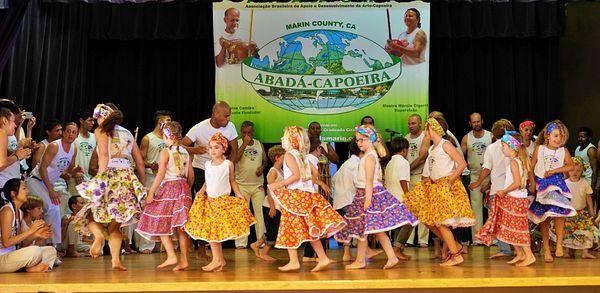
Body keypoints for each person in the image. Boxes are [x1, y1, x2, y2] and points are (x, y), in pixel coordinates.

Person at [72, 103, 146, 271]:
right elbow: (140, 163)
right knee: (115, 225)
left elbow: (104, 156)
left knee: (91, 216)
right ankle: (116, 261)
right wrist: (140, 186)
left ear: (100, 117)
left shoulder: (101, 130)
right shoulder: (127, 132)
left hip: (110, 176)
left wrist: (101, 179)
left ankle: (98, 237)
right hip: (127, 178)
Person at [337, 125, 418, 270]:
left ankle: (364, 260)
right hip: (365, 194)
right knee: (372, 230)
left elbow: (369, 181)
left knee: (367, 230)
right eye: (357, 140)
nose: (359, 143)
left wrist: (367, 200)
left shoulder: (369, 157)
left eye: (362, 140)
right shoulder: (369, 155)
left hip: (369, 195)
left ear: (371, 140)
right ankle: (384, 258)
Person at [267, 126, 345, 272]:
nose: (282, 139)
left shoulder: (290, 155)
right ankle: (322, 257)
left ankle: (294, 261)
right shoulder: (302, 155)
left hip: (296, 197)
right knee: (310, 228)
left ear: (291, 139)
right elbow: (314, 172)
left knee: (289, 226)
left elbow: (296, 176)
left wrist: (279, 184)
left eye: (284, 137)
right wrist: (308, 183)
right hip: (306, 195)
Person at [404, 117, 475, 266]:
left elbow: (462, 164)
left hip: (445, 187)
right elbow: (432, 169)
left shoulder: (445, 144)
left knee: (442, 224)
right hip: (434, 186)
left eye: (426, 128)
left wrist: (450, 180)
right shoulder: (431, 148)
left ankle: (456, 254)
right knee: (428, 219)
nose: (424, 131)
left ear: (433, 129)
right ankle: (456, 246)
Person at [184, 131, 255, 272]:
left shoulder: (228, 164)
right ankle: (219, 259)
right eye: (210, 147)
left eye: (216, 147)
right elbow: (207, 181)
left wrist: (239, 194)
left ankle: (217, 260)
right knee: (211, 232)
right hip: (210, 202)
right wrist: (201, 191)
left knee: (215, 233)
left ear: (223, 148)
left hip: (222, 202)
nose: (213, 150)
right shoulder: (207, 165)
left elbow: (232, 181)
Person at [137, 121, 193, 271]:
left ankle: (171, 255)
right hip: (183, 187)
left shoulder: (165, 152)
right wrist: (187, 189)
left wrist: (151, 192)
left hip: (169, 188)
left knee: (159, 220)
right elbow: (191, 175)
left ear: (166, 136)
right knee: (180, 227)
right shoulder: (186, 152)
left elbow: (161, 173)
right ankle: (184, 260)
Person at [476, 132, 536, 266]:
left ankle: (529, 255)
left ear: (511, 147)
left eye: (503, 146)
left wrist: (504, 191)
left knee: (518, 229)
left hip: (516, 199)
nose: (502, 149)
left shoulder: (515, 162)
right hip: (514, 198)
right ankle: (520, 253)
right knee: (510, 227)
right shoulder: (516, 161)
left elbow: (517, 183)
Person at [528, 120, 576, 263]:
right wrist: (531, 183)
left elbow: (571, 166)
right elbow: (531, 167)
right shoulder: (540, 149)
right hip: (542, 185)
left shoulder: (563, 151)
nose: (559, 139)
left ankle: (559, 243)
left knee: (559, 214)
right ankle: (547, 249)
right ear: (547, 136)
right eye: (555, 136)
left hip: (557, 185)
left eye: (561, 136)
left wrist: (555, 170)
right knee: (545, 218)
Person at [25, 122, 78, 247]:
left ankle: (51, 246)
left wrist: (75, 171)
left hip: (47, 184)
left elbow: (68, 170)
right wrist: (51, 190)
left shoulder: (74, 149)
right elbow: (43, 168)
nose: (70, 134)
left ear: (76, 135)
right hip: (35, 180)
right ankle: (52, 245)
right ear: (63, 133)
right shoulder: (54, 146)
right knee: (53, 207)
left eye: (74, 132)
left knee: (55, 209)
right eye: (68, 131)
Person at [469, 119, 515, 259]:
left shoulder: (492, 148)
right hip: (514, 189)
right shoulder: (515, 145)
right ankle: (517, 247)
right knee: (513, 220)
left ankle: (505, 249)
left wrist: (478, 182)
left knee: (498, 221)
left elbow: (487, 167)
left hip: (498, 190)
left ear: (494, 133)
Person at [0, 178, 56, 273]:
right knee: (34, 251)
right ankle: (27, 269)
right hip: (2, 257)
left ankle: (31, 267)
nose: (28, 191)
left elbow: (20, 244)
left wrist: (36, 235)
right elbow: (6, 243)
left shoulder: (19, 212)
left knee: (50, 251)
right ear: (13, 193)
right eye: (24, 188)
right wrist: (30, 231)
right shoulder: (7, 211)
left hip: (13, 254)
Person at [136, 110, 172, 254]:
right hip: (152, 178)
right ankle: (146, 245)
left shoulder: (169, 139)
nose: (170, 122)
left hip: (166, 179)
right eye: (168, 120)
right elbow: (140, 159)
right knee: (149, 210)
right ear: (160, 122)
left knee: (163, 212)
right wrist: (150, 165)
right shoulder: (148, 138)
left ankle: (162, 245)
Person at [549, 157, 598, 259]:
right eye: (572, 170)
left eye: (578, 170)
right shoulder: (565, 183)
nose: (575, 173)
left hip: (582, 213)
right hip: (568, 212)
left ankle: (585, 252)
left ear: (582, 171)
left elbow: (588, 197)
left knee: (587, 230)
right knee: (567, 231)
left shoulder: (584, 183)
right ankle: (567, 250)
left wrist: (591, 210)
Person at [234, 121, 267, 250]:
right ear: (241, 132)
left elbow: (265, 160)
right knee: (242, 214)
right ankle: (241, 243)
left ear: (253, 132)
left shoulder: (259, 144)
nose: (246, 135)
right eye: (244, 132)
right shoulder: (237, 143)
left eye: (249, 132)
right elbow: (235, 159)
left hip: (257, 185)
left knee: (260, 214)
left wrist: (263, 167)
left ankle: (261, 242)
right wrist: (244, 144)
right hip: (241, 185)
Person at [460, 113, 492, 244]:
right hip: (474, 176)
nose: (476, 124)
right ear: (470, 123)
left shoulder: (490, 136)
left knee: (492, 208)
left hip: (490, 175)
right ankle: (477, 239)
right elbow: (460, 157)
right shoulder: (466, 138)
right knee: (476, 208)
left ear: (482, 121)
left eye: (478, 121)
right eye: (474, 122)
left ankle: (492, 238)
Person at [251, 145, 285, 262]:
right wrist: (272, 207)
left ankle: (256, 245)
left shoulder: (281, 171)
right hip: (270, 205)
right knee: (273, 231)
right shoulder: (273, 171)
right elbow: (269, 189)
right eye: (284, 156)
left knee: (273, 230)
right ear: (277, 158)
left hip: (277, 205)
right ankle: (264, 252)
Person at [385, 137, 416, 260]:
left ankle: (397, 249)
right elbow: (403, 180)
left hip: (390, 198)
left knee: (399, 224)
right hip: (400, 197)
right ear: (404, 150)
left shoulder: (389, 163)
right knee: (410, 222)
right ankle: (397, 248)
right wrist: (408, 196)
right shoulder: (403, 162)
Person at [404, 114, 429, 248]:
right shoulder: (406, 138)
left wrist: (406, 169)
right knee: (410, 208)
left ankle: (423, 240)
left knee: (422, 208)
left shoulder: (425, 137)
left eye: (413, 123)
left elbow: (422, 158)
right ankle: (408, 239)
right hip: (408, 177)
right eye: (409, 123)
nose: (411, 126)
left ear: (420, 124)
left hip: (419, 176)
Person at [0, 107, 32, 189]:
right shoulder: (2, 133)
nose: (15, 125)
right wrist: (17, 156)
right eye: (13, 121)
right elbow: (1, 164)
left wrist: (20, 154)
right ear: (4, 120)